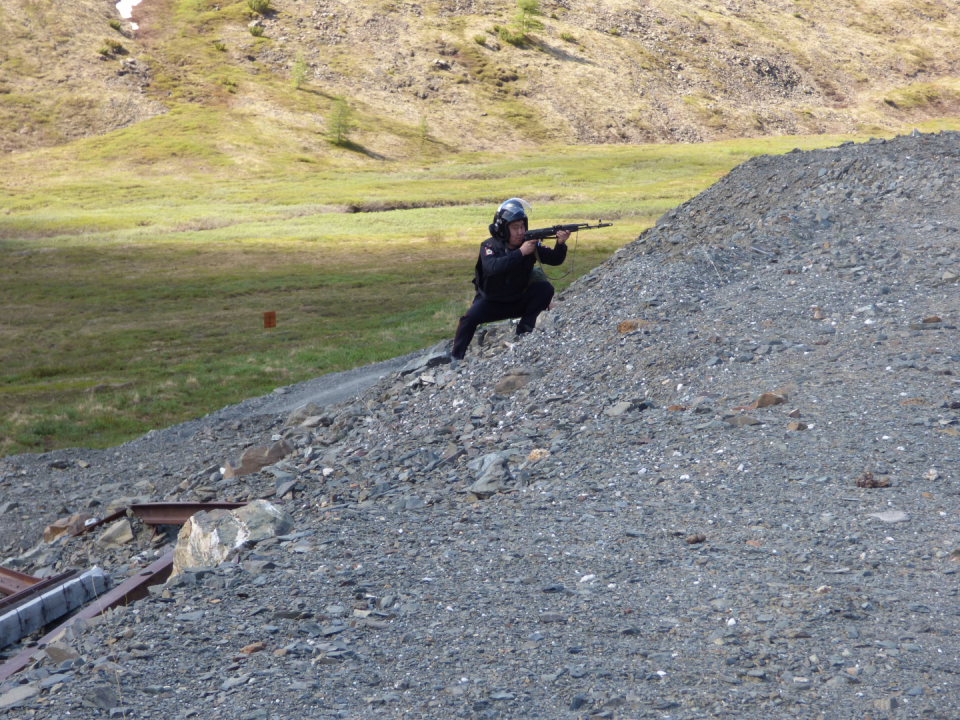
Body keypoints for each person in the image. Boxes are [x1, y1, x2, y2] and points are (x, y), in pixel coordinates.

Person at [451, 198, 570, 361]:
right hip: (491, 302)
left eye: (522, 227)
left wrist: (561, 243)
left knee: (545, 289)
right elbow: (493, 267)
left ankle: (525, 330)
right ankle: (456, 358)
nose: (521, 232)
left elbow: (555, 259)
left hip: (517, 299)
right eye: (515, 228)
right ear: (503, 229)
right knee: (468, 319)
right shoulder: (488, 246)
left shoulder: (530, 245)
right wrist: (520, 252)